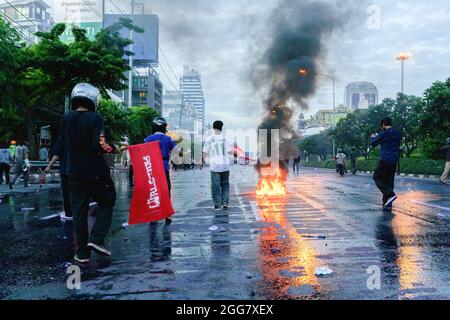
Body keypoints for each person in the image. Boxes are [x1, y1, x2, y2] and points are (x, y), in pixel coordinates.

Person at [61, 83, 125, 264]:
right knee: (107, 201)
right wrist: (114, 149)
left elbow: (64, 142)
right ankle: (96, 239)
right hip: (95, 171)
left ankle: (82, 253)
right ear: (92, 99)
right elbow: (100, 144)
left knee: (79, 212)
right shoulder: (95, 118)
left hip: (73, 172)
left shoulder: (65, 118)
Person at [144, 117, 182, 224]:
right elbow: (179, 152)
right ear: (164, 127)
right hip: (163, 167)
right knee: (165, 190)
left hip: (150, 168)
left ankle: (153, 214)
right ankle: (167, 214)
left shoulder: (147, 139)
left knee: (153, 191)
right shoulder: (168, 139)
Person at [371, 117, 401, 211]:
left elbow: (373, 143)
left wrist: (373, 137)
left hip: (385, 159)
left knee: (377, 177)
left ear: (383, 124)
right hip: (394, 160)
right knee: (389, 181)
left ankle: (390, 195)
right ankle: (387, 204)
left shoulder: (384, 133)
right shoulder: (397, 133)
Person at [202, 121, 233, 210]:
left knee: (215, 186)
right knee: (225, 184)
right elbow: (229, 151)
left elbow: (205, 152)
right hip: (225, 166)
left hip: (215, 166)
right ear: (221, 128)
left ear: (213, 128)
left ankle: (217, 204)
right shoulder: (225, 138)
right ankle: (225, 202)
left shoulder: (210, 139)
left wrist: (202, 161)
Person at [44, 137, 72, 220]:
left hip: (66, 170)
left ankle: (69, 214)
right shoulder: (82, 135)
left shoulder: (63, 138)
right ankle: (79, 213)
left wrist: (49, 166)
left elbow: (57, 155)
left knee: (67, 193)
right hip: (79, 170)